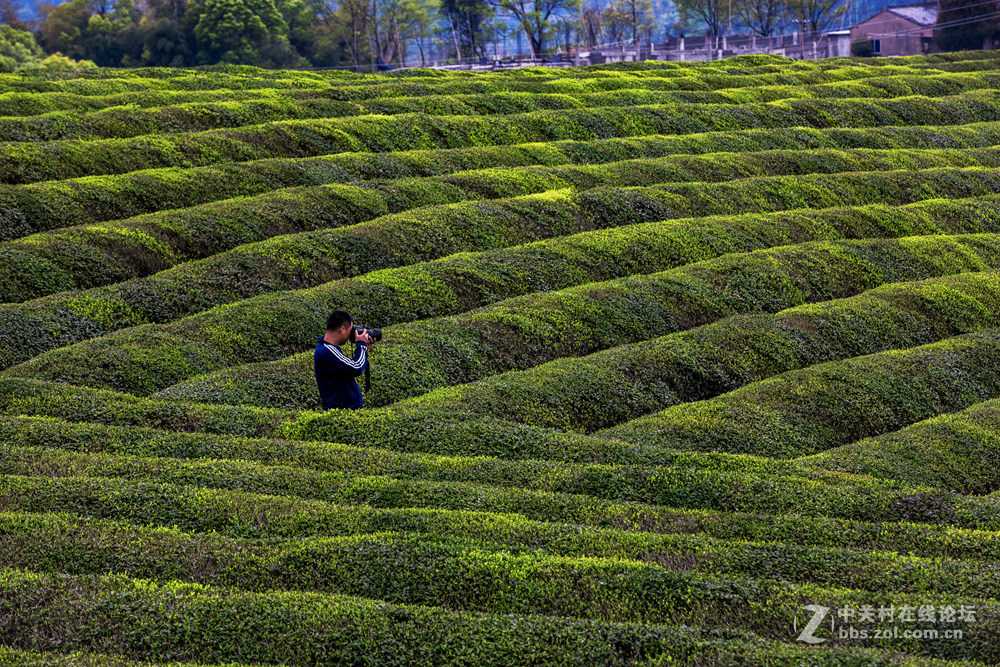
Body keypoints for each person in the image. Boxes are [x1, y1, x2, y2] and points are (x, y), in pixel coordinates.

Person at [314, 310, 374, 410]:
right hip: (341, 412)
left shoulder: (325, 348)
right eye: (350, 331)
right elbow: (357, 367)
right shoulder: (328, 351)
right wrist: (361, 345)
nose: (350, 335)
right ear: (342, 329)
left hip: (342, 411)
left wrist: (363, 348)